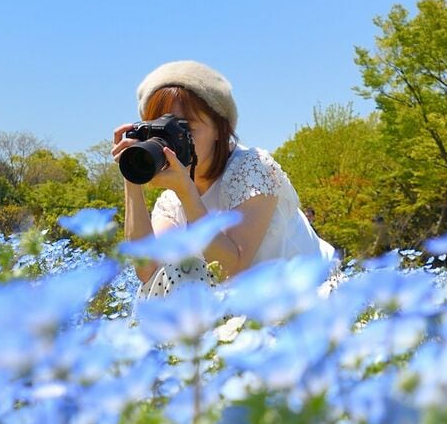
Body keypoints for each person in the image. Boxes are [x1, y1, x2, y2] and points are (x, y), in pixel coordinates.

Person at [112, 60, 336, 299]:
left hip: (311, 297)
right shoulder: (171, 200)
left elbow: (232, 270)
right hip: (249, 311)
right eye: (159, 130)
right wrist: (132, 178)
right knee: (174, 274)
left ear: (221, 128)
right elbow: (148, 271)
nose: (172, 141)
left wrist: (187, 192)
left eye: (184, 128)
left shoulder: (252, 168)